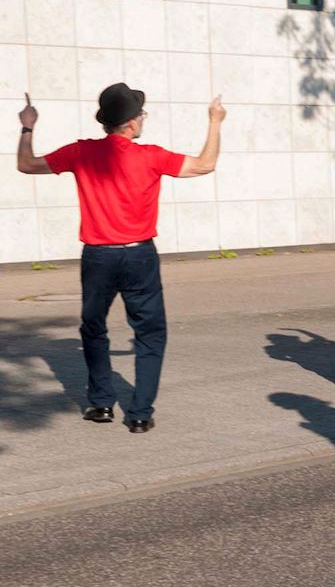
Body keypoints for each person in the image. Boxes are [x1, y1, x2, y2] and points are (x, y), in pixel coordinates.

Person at [16, 85, 226, 433]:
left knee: (94, 327)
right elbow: (206, 164)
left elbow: (26, 165)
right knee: (149, 332)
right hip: (139, 256)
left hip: (98, 256)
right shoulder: (151, 156)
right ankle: (140, 413)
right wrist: (215, 121)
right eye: (141, 114)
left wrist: (27, 126)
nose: (144, 118)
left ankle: (100, 405)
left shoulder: (81, 152)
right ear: (130, 123)